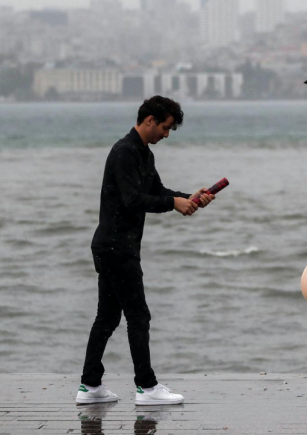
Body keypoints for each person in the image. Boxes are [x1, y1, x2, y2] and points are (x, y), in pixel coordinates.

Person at [76, 96, 215, 406]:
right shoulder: (123, 152)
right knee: (138, 316)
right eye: (165, 128)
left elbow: (157, 193)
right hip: (115, 247)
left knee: (108, 317)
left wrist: (187, 199)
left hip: (116, 246)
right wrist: (173, 204)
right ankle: (147, 387)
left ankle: (89, 385)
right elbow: (132, 200)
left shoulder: (144, 155)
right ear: (149, 120)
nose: (166, 135)